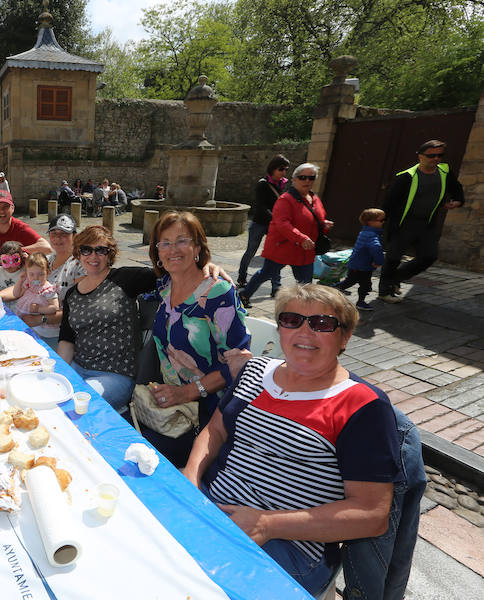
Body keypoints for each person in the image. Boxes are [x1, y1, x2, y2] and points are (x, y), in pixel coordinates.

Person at [182, 284, 400, 596]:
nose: (305, 332)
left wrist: (267, 524)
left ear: (345, 337)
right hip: (209, 502)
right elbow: (215, 431)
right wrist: (190, 476)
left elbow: (372, 515)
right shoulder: (255, 370)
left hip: (288, 544)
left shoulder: (363, 406)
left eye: (322, 324)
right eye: (292, 320)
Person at [138, 211, 251, 466]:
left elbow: (240, 364)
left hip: (208, 414)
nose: (172, 249)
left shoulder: (219, 293)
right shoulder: (165, 286)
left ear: (197, 246)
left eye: (182, 241)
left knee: (135, 456)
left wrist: (186, 392)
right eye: (164, 243)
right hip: (169, 405)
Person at [58, 226, 159, 410]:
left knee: (75, 405)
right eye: (86, 250)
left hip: (114, 374)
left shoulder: (125, 279)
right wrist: (58, 373)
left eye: (101, 250)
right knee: (50, 393)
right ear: (78, 253)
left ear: (110, 253)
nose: (93, 256)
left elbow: (170, 272)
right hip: (77, 367)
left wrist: (203, 264)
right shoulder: (72, 294)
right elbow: (67, 340)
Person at [378, 140, 464, 303]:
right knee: (394, 258)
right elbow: (390, 201)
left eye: (440, 155)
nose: (436, 159)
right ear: (420, 156)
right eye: (431, 155)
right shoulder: (407, 176)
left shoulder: (445, 172)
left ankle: (395, 279)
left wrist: (458, 200)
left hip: (427, 224)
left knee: (429, 256)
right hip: (403, 224)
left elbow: (456, 188)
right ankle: (384, 291)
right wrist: (380, 221)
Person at [239, 163, 333, 308]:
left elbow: (316, 218)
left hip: (304, 250)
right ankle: (244, 295)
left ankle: (304, 309)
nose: (307, 181)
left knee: (306, 284)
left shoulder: (314, 198)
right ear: (294, 179)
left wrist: (323, 224)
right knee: (266, 273)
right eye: (302, 177)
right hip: (282, 247)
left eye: (311, 178)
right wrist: (301, 237)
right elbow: (282, 224)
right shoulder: (285, 200)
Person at [0, 214, 85, 346]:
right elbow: (24, 286)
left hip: (57, 333)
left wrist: (41, 319)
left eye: (64, 234)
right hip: (32, 324)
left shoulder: (80, 266)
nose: (57, 238)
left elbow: (77, 310)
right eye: (53, 233)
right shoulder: (47, 260)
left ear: (74, 236)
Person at [237, 154, 290, 289]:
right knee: (251, 251)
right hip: (260, 223)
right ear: (273, 169)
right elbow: (261, 207)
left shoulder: (282, 184)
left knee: (275, 254)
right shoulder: (262, 184)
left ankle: (276, 286)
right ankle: (242, 277)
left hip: (274, 224)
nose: (284, 172)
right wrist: (275, 219)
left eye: (286, 169)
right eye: (281, 169)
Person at [336, 208, 386, 311]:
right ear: (371, 222)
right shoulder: (371, 235)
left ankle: (359, 299)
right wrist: (379, 261)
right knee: (352, 282)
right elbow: (376, 248)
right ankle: (335, 289)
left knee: (363, 283)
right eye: (381, 220)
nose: (383, 222)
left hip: (361, 264)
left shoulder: (366, 231)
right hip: (360, 266)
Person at [12, 253, 60, 339]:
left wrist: (39, 309)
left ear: (47, 273)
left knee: (33, 338)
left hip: (39, 324)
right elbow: (16, 294)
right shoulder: (28, 283)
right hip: (25, 316)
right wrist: (20, 281)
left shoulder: (48, 289)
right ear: (26, 273)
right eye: (31, 274)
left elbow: (55, 307)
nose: (36, 278)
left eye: (40, 274)